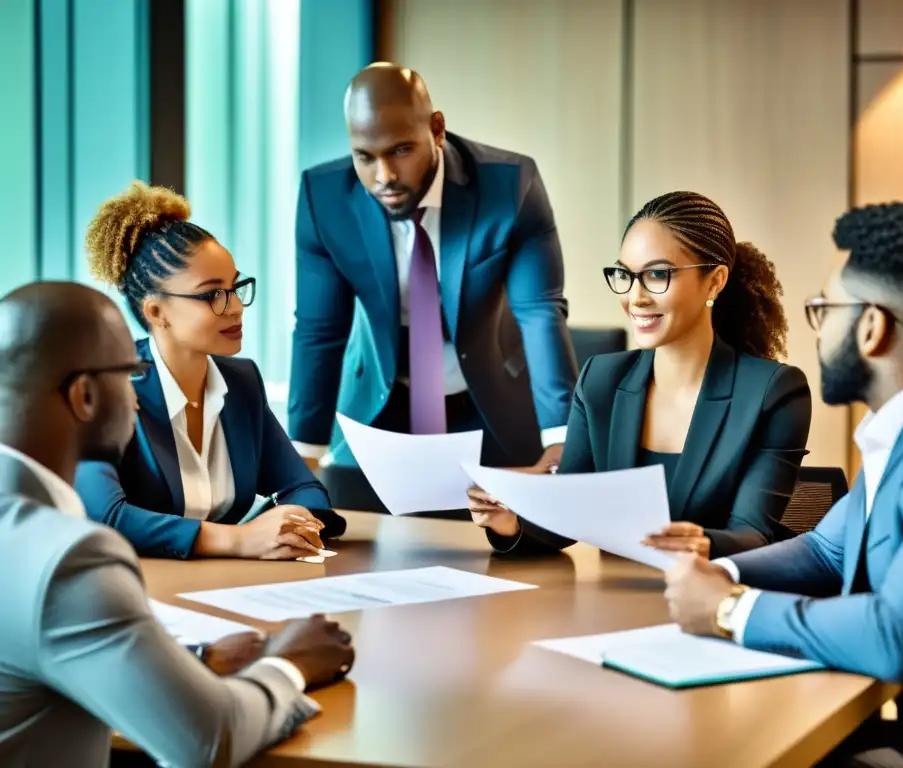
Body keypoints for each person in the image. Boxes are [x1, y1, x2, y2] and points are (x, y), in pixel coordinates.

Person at [664, 203, 903, 767]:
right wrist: (717, 571)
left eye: (824, 309)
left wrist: (730, 610)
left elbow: (896, 637)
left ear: (872, 326)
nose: (817, 328)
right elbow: (827, 549)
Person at [0, 282, 355, 768]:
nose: (137, 394)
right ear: (84, 396)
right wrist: (290, 664)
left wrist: (193, 660)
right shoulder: (70, 561)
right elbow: (208, 741)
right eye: (130, 374)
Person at [287, 62, 578, 513]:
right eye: (364, 156)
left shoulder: (511, 185)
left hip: (490, 406)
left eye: (401, 150)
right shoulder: (323, 197)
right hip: (377, 410)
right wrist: (302, 449)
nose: (384, 175)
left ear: (436, 129)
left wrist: (561, 438)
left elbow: (540, 311)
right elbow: (319, 331)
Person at [471, 191, 812, 559]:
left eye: (657, 274)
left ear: (714, 281)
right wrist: (513, 521)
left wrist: (695, 544)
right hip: (615, 601)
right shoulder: (601, 379)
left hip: (710, 598)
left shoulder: (772, 393)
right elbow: (568, 516)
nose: (636, 297)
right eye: (625, 274)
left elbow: (754, 535)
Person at [75, 181, 340, 560]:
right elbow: (105, 516)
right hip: (134, 587)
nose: (234, 307)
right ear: (156, 312)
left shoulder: (241, 381)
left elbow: (304, 488)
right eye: (212, 294)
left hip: (224, 584)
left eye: (234, 288)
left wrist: (293, 525)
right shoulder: (109, 387)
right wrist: (239, 540)